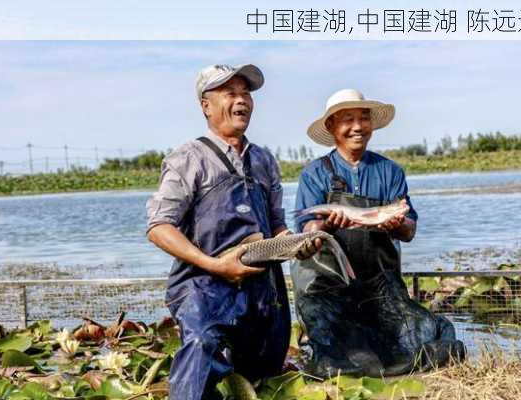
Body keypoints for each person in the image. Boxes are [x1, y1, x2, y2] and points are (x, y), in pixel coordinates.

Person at [146, 64, 320, 400]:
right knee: (201, 348)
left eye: (246, 93)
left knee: (263, 373)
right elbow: (158, 227)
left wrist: (298, 245)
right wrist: (214, 265)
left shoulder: (264, 160)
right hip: (205, 287)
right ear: (205, 105)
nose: (241, 100)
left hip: (262, 290)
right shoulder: (189, 158)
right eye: (230, 93)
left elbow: (276, 226)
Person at [293, 88, 464, 378]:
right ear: (332, 126)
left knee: (424, 335)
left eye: (363, 118)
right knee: (347, 352)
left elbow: (409, 229)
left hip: (380, 291)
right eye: (348, 119)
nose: (357, 127)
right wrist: (326, 225)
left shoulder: (390, 171)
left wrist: (395, 223)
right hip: (328, 290)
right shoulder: (314, 174)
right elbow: (307, 233)